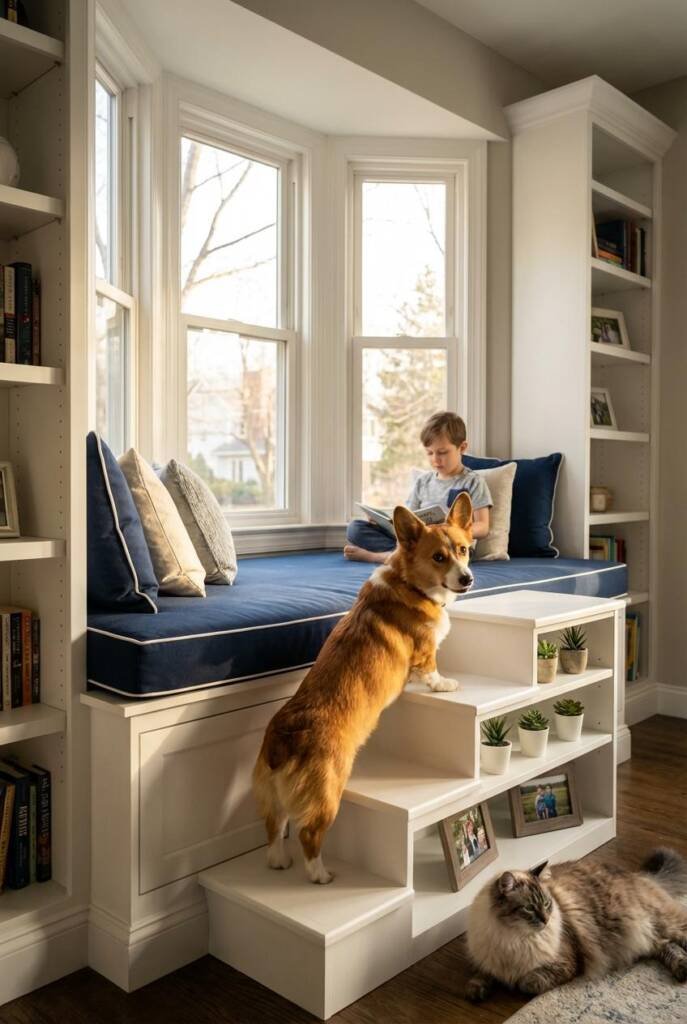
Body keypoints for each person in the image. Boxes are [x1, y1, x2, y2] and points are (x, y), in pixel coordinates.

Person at [343, 410, 492, 563]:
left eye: (442, 452)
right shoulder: (423, 482)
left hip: (451, 545)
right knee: (355, 528)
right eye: (429, 453)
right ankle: (401, 555)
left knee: (447, 551)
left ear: (462, 447)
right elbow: (410, 515)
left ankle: (380, 557)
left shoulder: (473, 482)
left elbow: (483, 526)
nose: (435, 459)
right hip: (418, 541)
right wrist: (384, 521)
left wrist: (450, 530)